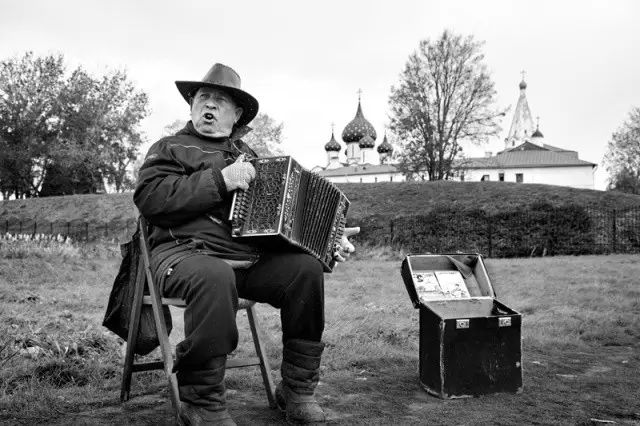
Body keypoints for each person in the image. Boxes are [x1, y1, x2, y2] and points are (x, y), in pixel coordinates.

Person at [134, 63, 359, 426]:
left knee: (306, 271)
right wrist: (220, 181)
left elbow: (274, 226)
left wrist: (327, 240)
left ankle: (297, 391)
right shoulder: (169, 147)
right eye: (203, 98)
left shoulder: (250, 156)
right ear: (191, 106)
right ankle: (202, 403)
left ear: (236, 113)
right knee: (214, 275)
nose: (209, 106)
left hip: (245, 261)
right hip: (182, 256)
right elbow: (151, 198)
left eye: (219, 101)